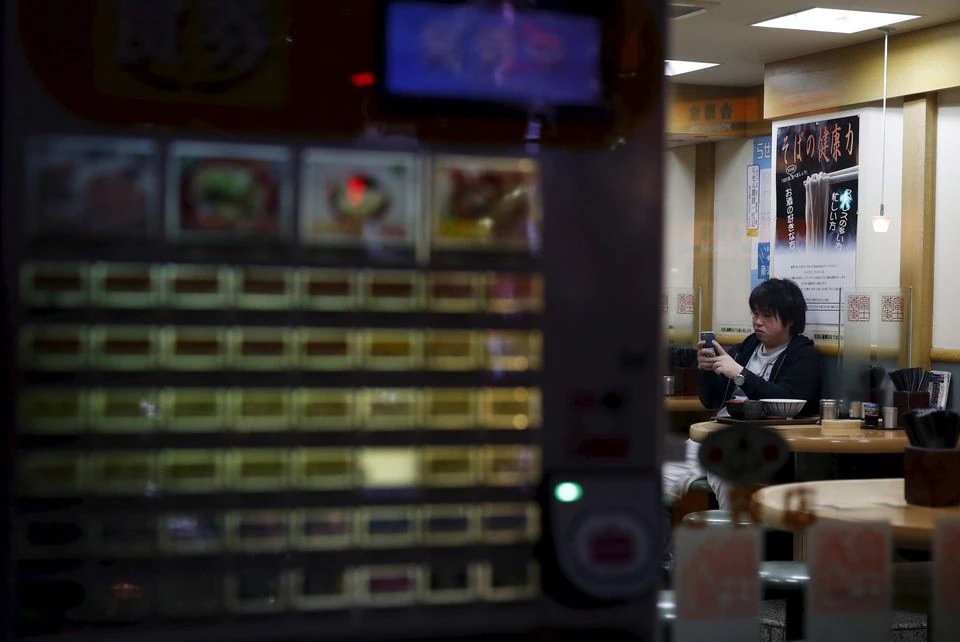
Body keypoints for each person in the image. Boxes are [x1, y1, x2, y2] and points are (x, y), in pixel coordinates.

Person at [663, 278, 821, 509]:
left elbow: (788, 400)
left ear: (790, 320)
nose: (758, 321)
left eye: (767, 315)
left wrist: (740, 374)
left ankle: (732, 533)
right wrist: (708, 371)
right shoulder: (748, 347)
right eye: (755, 313)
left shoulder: (803, 356)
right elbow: (711, 401)